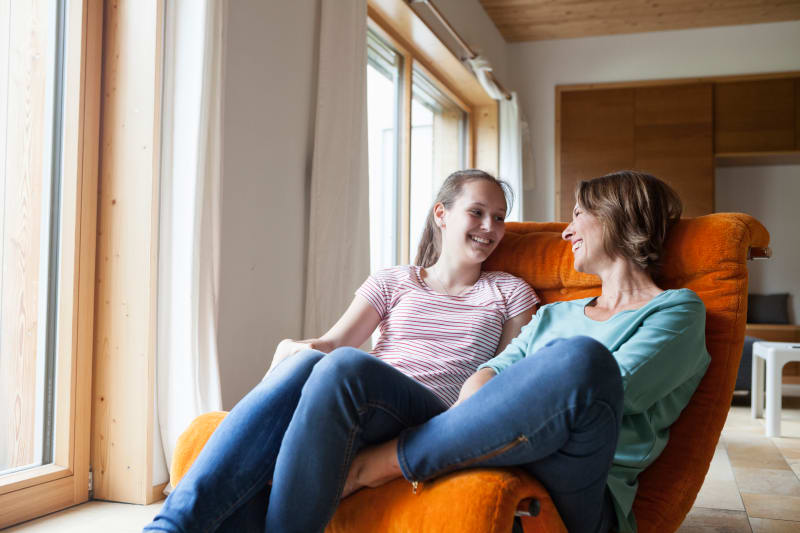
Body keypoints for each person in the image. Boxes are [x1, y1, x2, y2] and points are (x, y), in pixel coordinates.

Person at [306, 170, 710, 533]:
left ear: (615, 217)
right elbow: (491, 372)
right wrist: (483, 412)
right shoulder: (555, 313)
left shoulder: (677, 310)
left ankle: (373, 467)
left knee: (584, 363)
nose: (567, 233)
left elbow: (606, 393)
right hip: (505, 453)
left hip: (584, 482)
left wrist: (514, 398)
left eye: (577, 215)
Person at [143, 169, 539, 533]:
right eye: (477, 212)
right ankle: (170, 527)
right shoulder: (393, 281)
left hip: (437, 418)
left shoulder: (510, 292)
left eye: (500, 217)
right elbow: (331, 343)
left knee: (345, 365)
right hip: (366, 408)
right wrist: (289, 353)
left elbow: (503, 378)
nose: (490, 227)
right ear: (442, 214)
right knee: (315, 360)